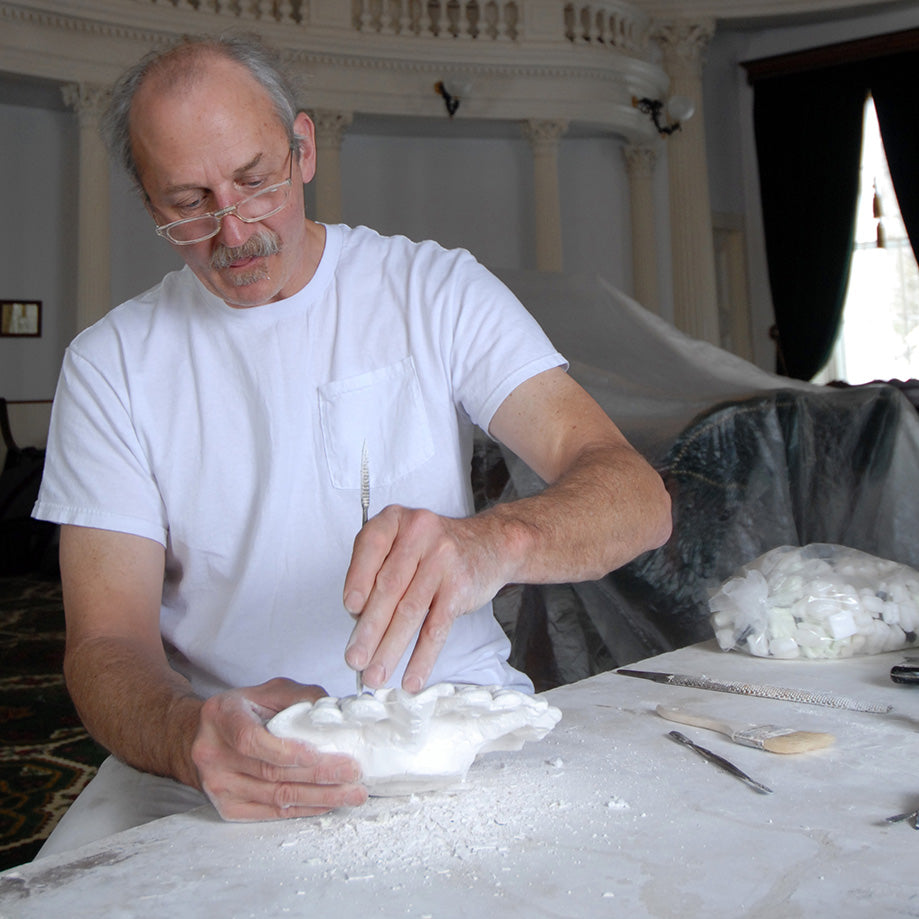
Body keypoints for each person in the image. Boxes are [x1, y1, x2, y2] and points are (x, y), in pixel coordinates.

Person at [32, 33, 671, 856]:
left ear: (301, 149)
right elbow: (104, 644)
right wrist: (187, 731)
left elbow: (635, 498)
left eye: (254, 181)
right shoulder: (110, 364)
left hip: (451, 720)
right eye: (188, 202)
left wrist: (494, 542)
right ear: (151, 204)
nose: (232, 232)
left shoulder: (431, 289)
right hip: (235, 753)